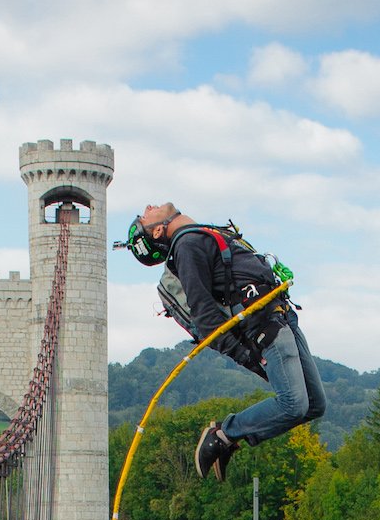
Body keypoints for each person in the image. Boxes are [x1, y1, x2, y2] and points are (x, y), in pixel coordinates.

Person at [121, 205, 325, 480]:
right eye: (144, 217)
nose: (147, 208)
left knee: (314, 404)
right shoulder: (187, 246)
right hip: (265, 327)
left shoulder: (203, 233)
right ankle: (223, 434)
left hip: (282, 316)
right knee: (293, 405)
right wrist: (245, 355)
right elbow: (205, 316)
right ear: (158, 230)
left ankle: (231, 437)